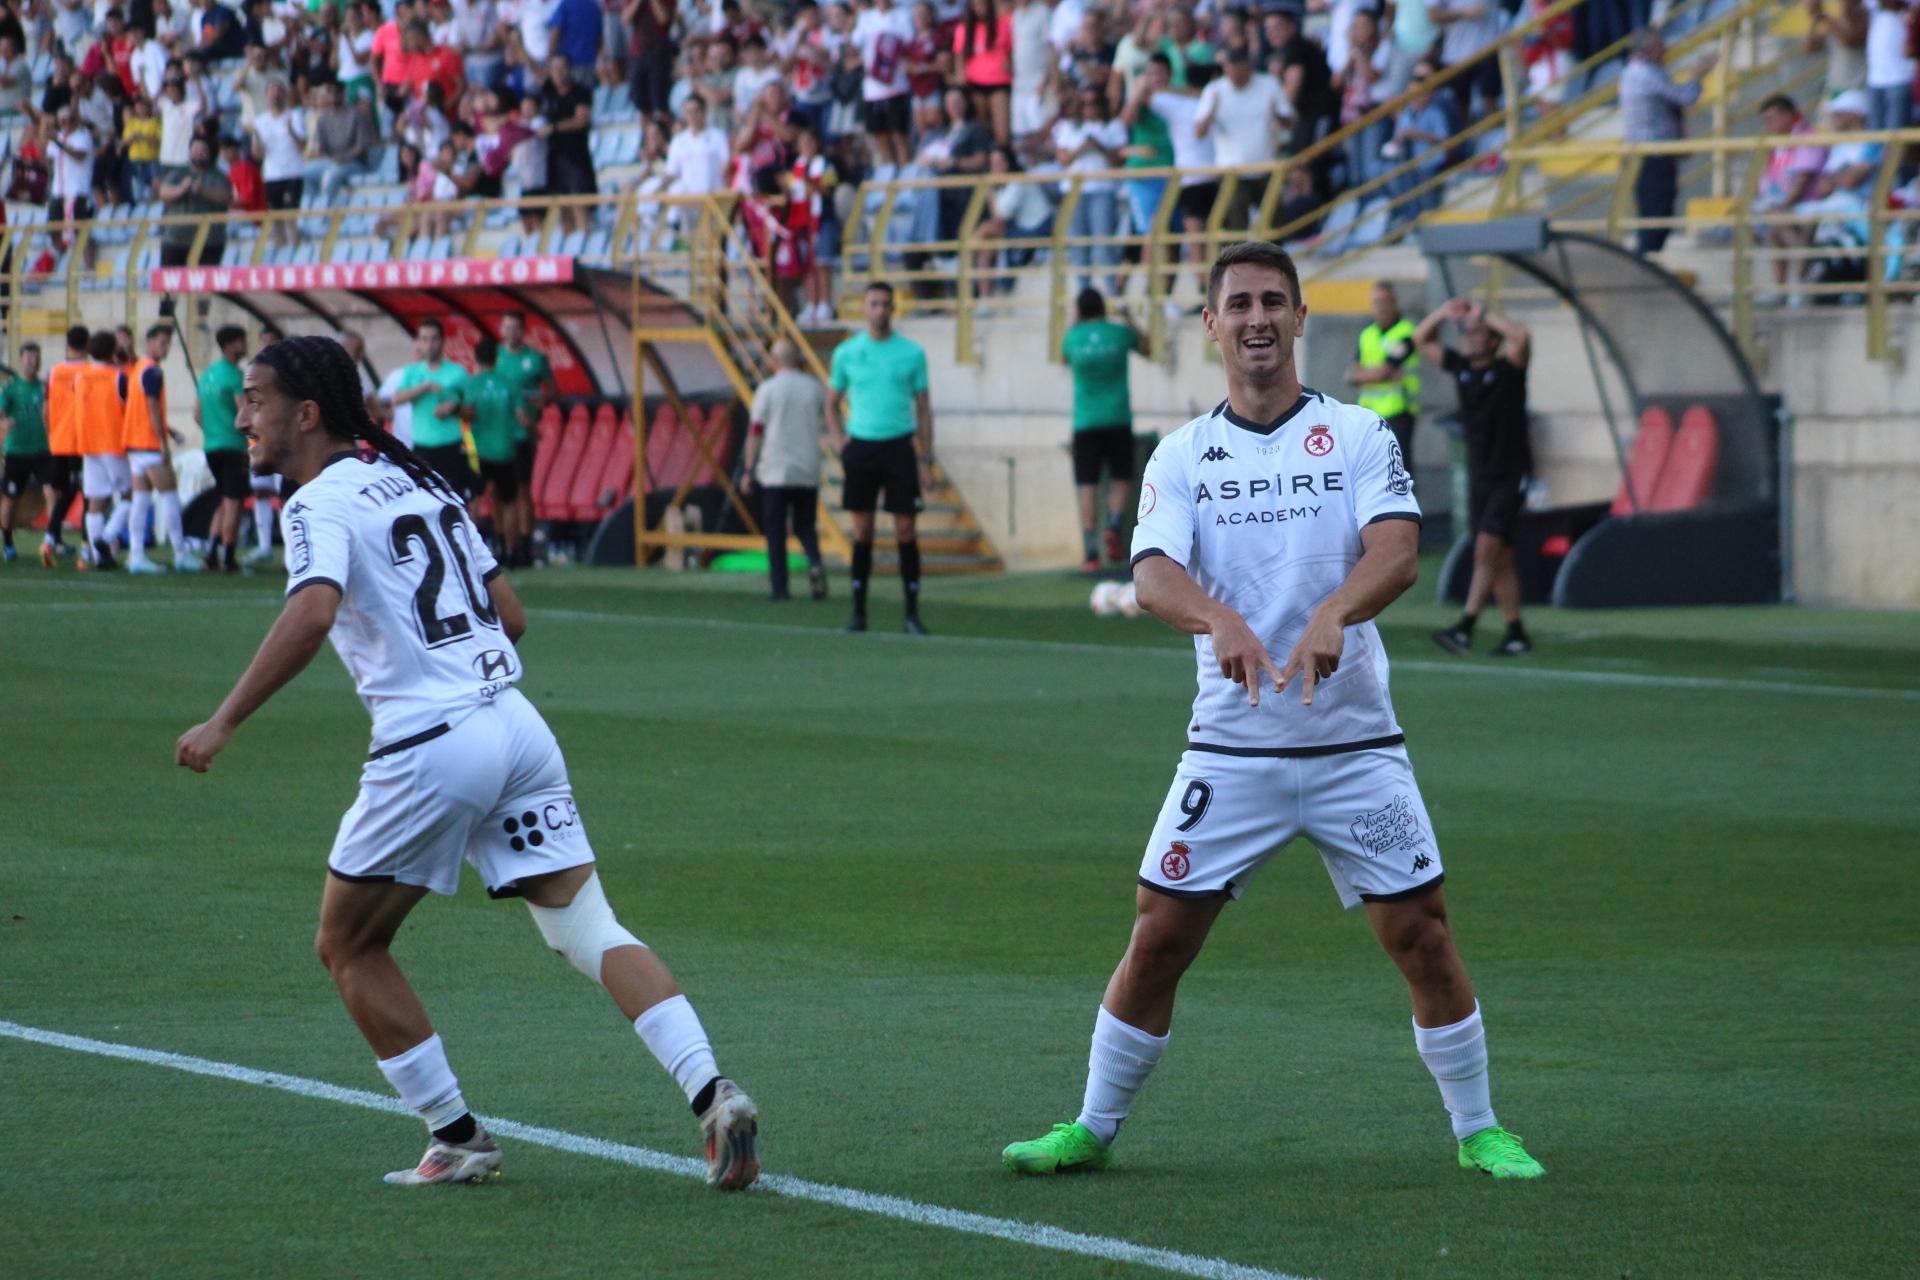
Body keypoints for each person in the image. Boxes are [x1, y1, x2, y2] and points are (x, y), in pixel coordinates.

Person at [1000, 241, 1544, 1184]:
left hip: (1352, 742)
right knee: (1158, 935)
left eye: (1273, 303)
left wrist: (1336, 609)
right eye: (1238, 304)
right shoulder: (1182, 454)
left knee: (1423, 934)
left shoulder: (1361, 433)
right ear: (1211, 324)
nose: (1256, 319)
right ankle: (1090, 1125)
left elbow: (1399, 551)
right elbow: (1152, 576)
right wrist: (1218, 619)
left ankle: (1480, 1129)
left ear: (1299, 320)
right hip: (1233, 746)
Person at [173, 335, 762, 1191]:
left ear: (305, 414)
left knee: (348, 945)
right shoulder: (421, 478)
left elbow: (311, 613)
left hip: (433, 743)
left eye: (254, 399)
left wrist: (225, 719)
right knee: (586, 925)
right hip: (517, 726)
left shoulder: (313, 505)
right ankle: (715, 1093)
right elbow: (510, 613)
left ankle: (456, 1137)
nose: (241, 416)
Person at [1414, 297, 1534, 658]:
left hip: (1510, 474)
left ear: (1493, 339)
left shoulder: (1508, 369)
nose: (1468, 337)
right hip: (1481, 474)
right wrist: (1445, 313)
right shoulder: (1463, 368)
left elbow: (1521, 338)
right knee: (1500, 559)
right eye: (1466, 333)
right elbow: (1422, 339)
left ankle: (1465, 627)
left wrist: (1486, 315)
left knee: (1485, 547)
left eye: (1477, 333)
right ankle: (1516, 633)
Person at [826, 281, 933, 635]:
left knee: (905, 529)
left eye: (886, 304)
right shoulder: (847, 352)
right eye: (874, 304)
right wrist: (841, 442)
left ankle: (912, 614)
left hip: (899, 446)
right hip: (863, 447)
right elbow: (831, 402)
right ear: (864, 308)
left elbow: (924, 407)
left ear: (893, 308)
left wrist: (926, 458)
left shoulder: (912, 353)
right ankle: (858, 613)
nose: (880, 311)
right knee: (862, 530)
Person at [1060, 288, 1146, 572]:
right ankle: (1113, 523)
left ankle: (1091, 551)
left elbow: (1063, 359)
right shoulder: (1119, 334)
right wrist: (1129, 318)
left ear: (1080, 311)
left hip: (1085, 422)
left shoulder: (1073, 338)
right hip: (1118, 417)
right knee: (1121, 476)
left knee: (1088, 484)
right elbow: (1147, 347)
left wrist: (1075, 324)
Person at [743, 339, 830, 603]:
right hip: (807, 468)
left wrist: (748, 468)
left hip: (776, 470)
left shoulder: (767, 390)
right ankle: (815, 562)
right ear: (798, 360)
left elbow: (755, 431)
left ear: (774, 361)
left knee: (775, 530)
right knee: (805, 525)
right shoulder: (815, 388)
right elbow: (828, 418)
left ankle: (780, 588)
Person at [1619, 28, 1716, 255]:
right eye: (1661, 45)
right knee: (1657, 215)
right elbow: (1685, 98)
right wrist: (1697, 76)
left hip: (1648, 155)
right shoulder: (1646, 74)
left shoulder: (1637, 72)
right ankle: (1644, 263)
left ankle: (1646, 260)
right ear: (1649, 49)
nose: (1666, 50)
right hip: (1653, 156)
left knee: (1655, 213)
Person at [122, 323, 202, 574]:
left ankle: (136, 555)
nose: (165, 347)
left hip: (133, 443)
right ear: (149, 343)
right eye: (162, 342)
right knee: (169, 496)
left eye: (168, 343)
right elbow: (152, 407)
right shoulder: (153, 371)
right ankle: (180, 553)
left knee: (141, 499)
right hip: (148, 444)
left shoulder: (137, 369)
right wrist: (162, 442)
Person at [456, 337, 528, 547]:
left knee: (474, 499)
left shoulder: (471, 384)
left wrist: (466, 441)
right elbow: (523, 417)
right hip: (505, 450)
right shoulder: (509, 384)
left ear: (475, 359)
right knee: (509, 501)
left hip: (477, 451)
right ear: (496, 359)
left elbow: (466, 417)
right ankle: (511, 552)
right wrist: (533, 433)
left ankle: (471, 549)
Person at [391, 319, 474, 500]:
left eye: (434, 339)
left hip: (451, 447)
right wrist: (425, 387)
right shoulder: (412, 372)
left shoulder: (458, 373)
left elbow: (472, 413)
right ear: (419, 343)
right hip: (422, 448)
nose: (429, 345)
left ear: (442, 341)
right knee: (424, 499)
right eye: (424, 339)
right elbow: (396, 399)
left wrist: (454, 408)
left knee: (455, 499)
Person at [495, 312, 553, 567]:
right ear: (501, 328)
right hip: (494, 433)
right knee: (496, 491)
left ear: (523, 331)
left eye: (516, 327)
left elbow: (553, 391)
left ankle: (526, 548)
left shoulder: (534, 359)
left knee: (521, 488)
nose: (511, 332)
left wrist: (539, 400)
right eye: (507, 327)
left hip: (522, 433)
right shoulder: (494, 357)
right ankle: (503, 545)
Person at [197, 325, 251, 574]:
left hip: (211, 445)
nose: (245, 346)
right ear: (230, 345)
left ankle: (211, 552)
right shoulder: (234, 375)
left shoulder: (207, 374)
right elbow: (245, 412)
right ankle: (228, 557)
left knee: (223, 498)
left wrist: (213, 431)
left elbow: (198, 414)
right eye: (242, 341)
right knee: (234, 502)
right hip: (232, 446)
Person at [1348, 281, 1420, 459]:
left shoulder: (1406, 332)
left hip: (1398, 410)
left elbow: (1384, 371)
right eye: (1375, 302)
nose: (1380, 308)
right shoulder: (1367, 334)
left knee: (1398, 465)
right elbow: (1351, 375)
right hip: (1368, 413)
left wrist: (1366, 376)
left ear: (1394, 302)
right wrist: (1377, 375)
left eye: (1384, 302)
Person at [75, 330, 127, 571]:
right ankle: (105, 539)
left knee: (95, 501)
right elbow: (128, 406)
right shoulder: (118, 377)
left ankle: (99, 557)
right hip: (112, 442)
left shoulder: (80, 377)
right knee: (130, 495)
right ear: (111, 352)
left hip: (88, 443)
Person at [40, 325, 90, 565]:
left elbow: (46, 409)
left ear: (67, 344)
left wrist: (51, 434)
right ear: (87, 344)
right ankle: (87, 546)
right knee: (86, 492)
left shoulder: (54, 370)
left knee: (64, 492)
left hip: (58, 440)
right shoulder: (90, 370)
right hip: (82, 441)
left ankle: (52, 538)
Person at [0, 343, 52, 564]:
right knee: (11, 498)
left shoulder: (44, 387)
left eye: (36, 357)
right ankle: (8, 543)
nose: (33, 361)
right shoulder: (11, 388)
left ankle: (52, 540)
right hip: (17, 452)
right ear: (21, 359)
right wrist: (5, 422)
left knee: (52, 492)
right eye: (29, 357)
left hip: (43, 450)